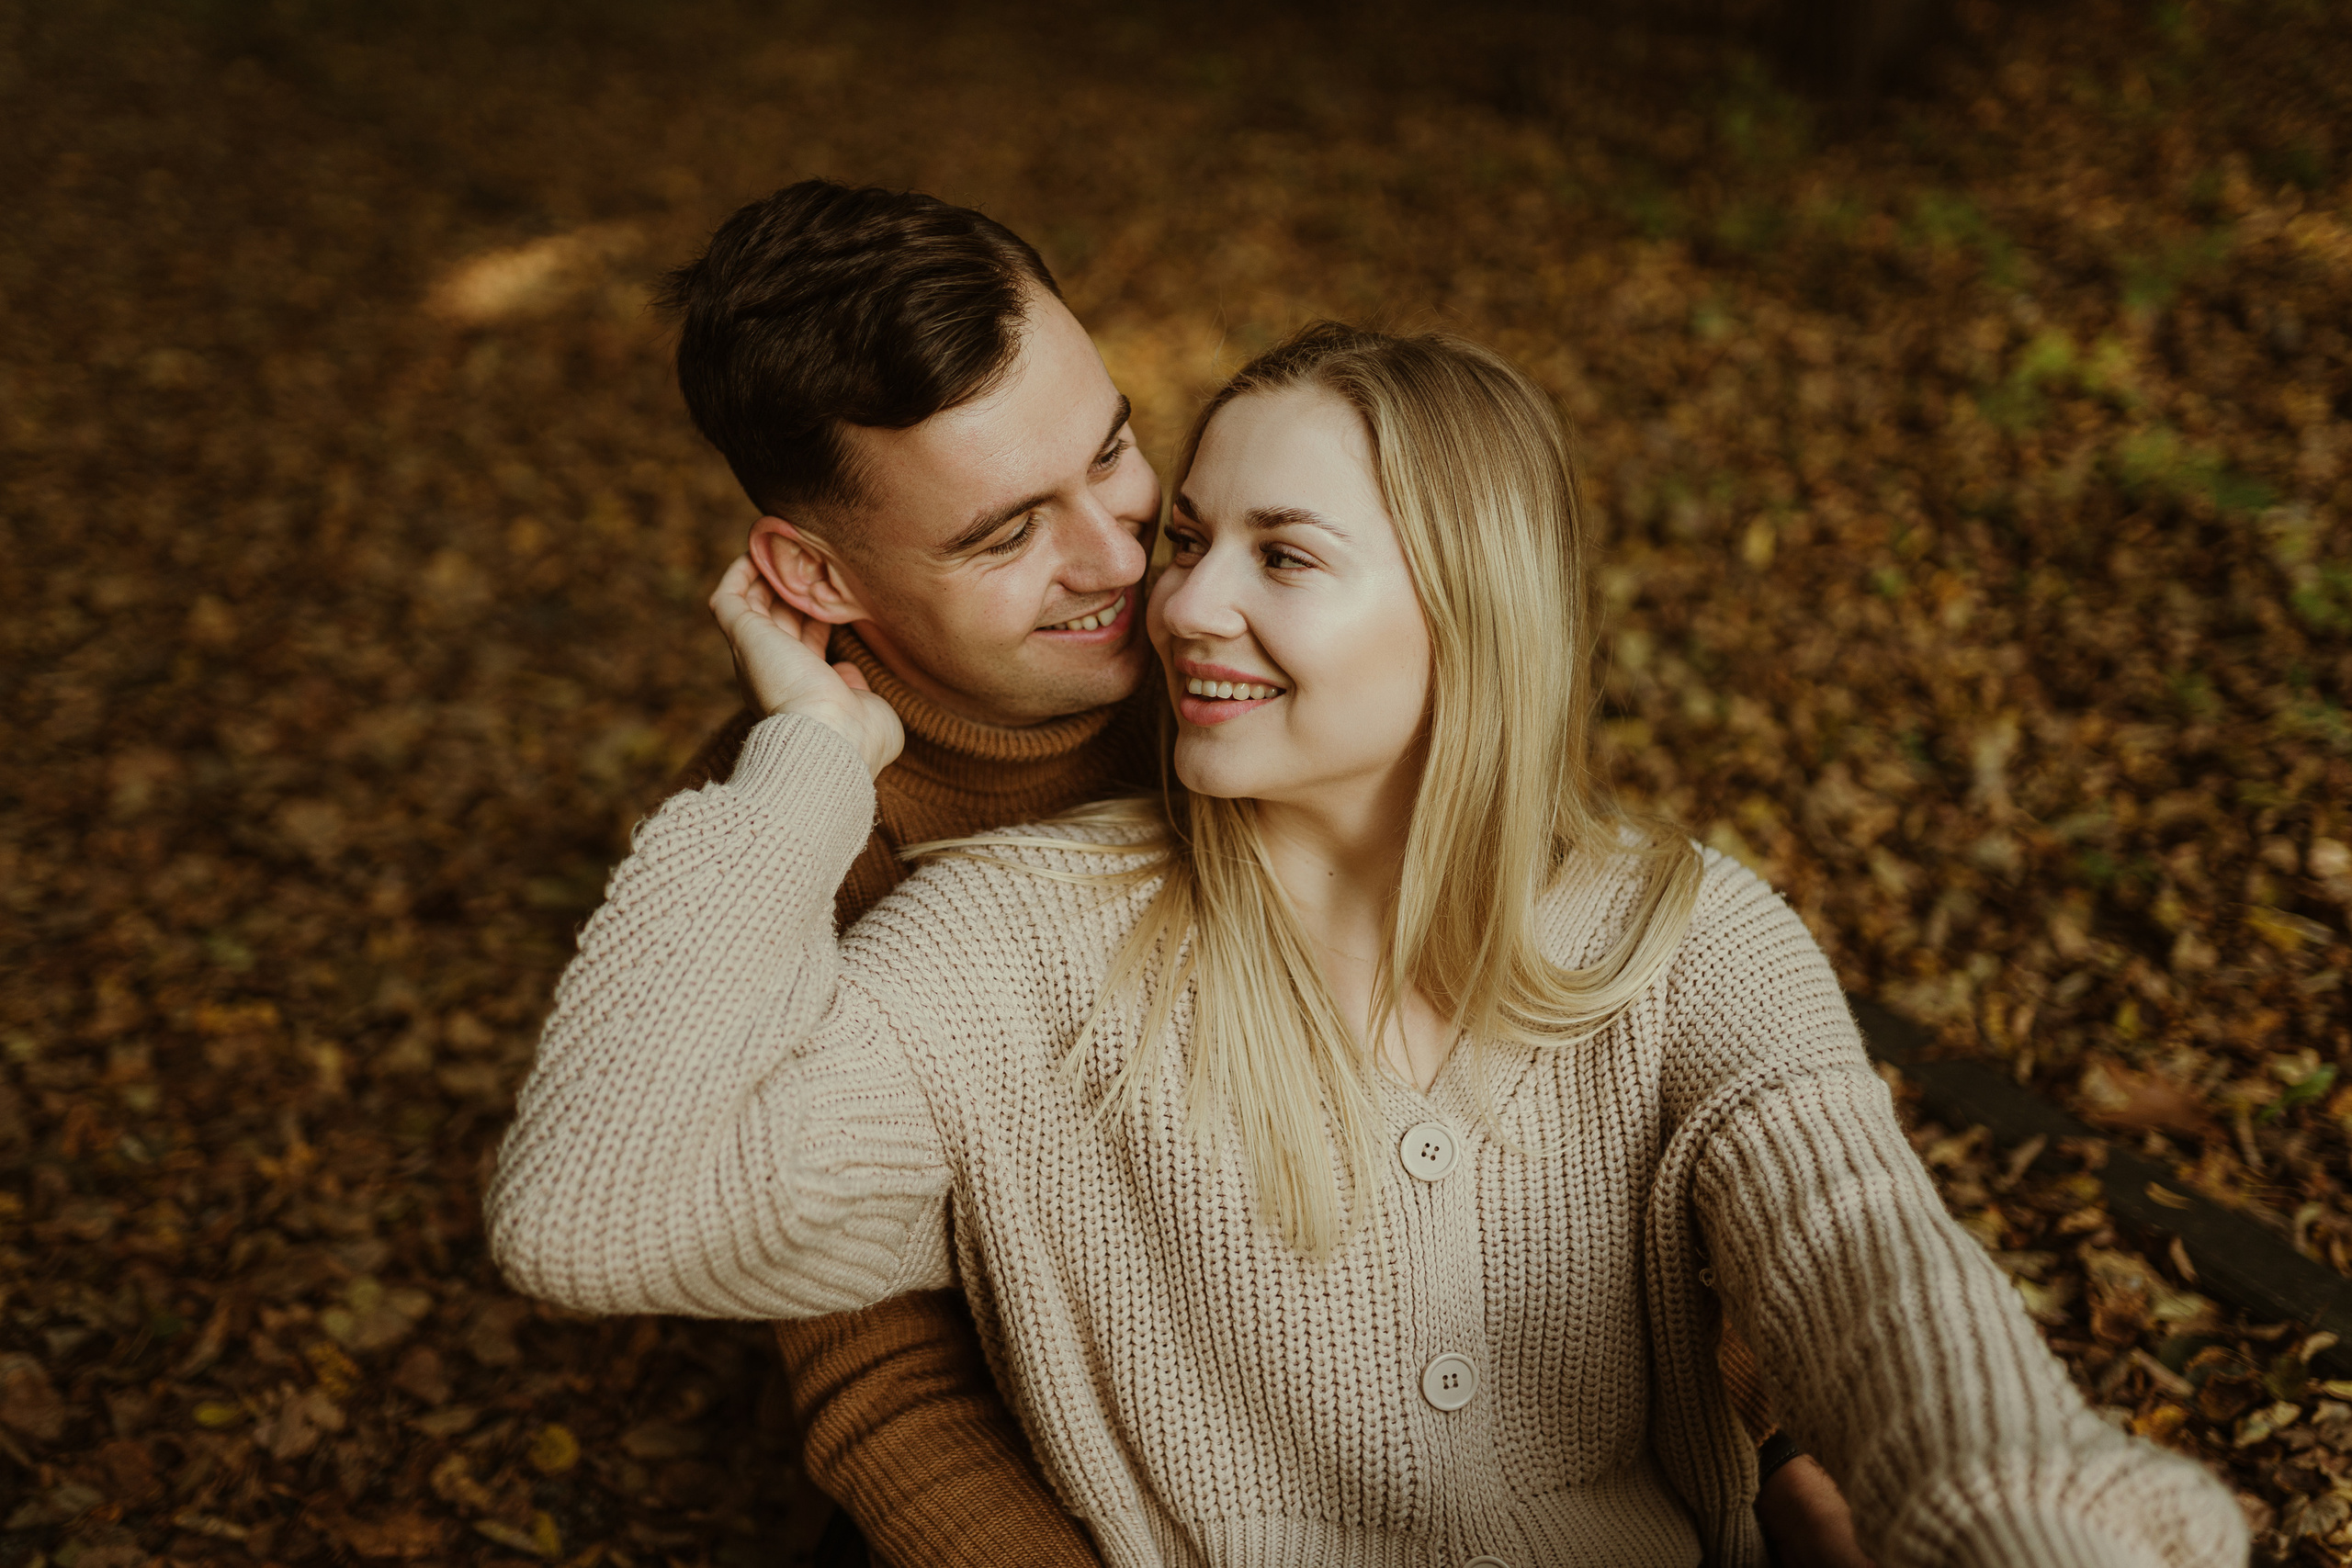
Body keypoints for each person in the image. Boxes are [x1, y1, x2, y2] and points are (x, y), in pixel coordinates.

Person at [489, 320, 2245, 1565]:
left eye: (1282, 552)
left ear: (1467, 609)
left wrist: (2034, 1521)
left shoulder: (1677, 935)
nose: (1174, 599)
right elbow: (591, 1210)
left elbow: (1879, 1281)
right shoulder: (1009, 948)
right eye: (1190, 540)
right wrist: (805, 756)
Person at [649, 180, 1864, 1568]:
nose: (1127, 568)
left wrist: (1779, 1448)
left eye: (1111, 454)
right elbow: (887, 1380)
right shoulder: (790, 854)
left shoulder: (1259, 634)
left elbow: (1572, 1117)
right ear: (817, 576)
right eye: (1003, 536)